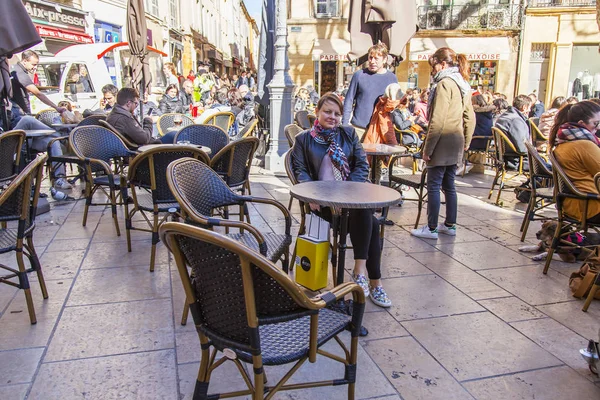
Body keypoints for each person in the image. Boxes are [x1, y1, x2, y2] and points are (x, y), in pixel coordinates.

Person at [291, 93, 391, 307]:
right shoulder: (303, 140)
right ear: (317, 112)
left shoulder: (348, 134)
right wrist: (313, 195)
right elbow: (301, 172)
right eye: (327, 112)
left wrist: (348, 192)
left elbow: (362, 165)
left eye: (337, 113)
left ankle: (361, 271)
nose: (333, 117)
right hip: (323, 206)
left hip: (349, 200)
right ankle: (374, 282)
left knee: (365, 211)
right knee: (371, 222)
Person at [411, 47, 475, 240]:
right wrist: (466, 141)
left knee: (434, 185)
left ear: (443, 64)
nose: (432, 71)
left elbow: (437, 120)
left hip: (442, 141)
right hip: (456, 140)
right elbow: (469, 117)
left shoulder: (444, 84)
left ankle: (431, 228)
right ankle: (450, 224)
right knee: (449, 186)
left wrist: (427, 149)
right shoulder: (462, 83)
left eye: (433, 66)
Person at [9, 50, 72, 193]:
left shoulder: (20, 72)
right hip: (19, 124)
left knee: (54, 142)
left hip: (25, 130)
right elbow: (37, 93)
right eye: (34, 64)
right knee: (30, 120)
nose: (35, 68)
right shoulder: (18, 72)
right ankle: (58, 133)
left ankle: (59, 179)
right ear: (24, 61)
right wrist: (56, 107)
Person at [549, 100, 600, 222]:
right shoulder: (583, 144)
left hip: (573, 203)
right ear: (581, 123)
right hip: (590, 206)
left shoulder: (564, 140)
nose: (598, 128)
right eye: (595, 123)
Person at [342, 42, 398, 140]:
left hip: (380, 128)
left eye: (376, 58)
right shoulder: (359, 75)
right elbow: (349, 100)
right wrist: (345, 124)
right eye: (370, 57)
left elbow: (396, 104)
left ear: (384, 60)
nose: (372, 61)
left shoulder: (392, 78)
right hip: (359, 128)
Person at [107, 88, 175, 145]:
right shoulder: (124, 118)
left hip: (141, 148)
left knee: (174, 134)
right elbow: (144, 139)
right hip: (147, 151)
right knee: (175, 135)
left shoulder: (114, 114)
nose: (136, 106)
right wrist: (148, 121)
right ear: (128, 103)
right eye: (136, 103)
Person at [458, 94, 495, 175]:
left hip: (476, 139)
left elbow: (468, 126)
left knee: (457, 141)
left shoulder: (476, 113)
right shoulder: (488, 113)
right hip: (486, 141)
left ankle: (461, 165)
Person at [495, 95, 532, 170]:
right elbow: (522, 148)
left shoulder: (504, 116)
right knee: (550, 169)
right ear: (524, 107)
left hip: (505, 158)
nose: (530, 110)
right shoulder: (515, 120)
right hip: (517, 161)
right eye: (529, 107)